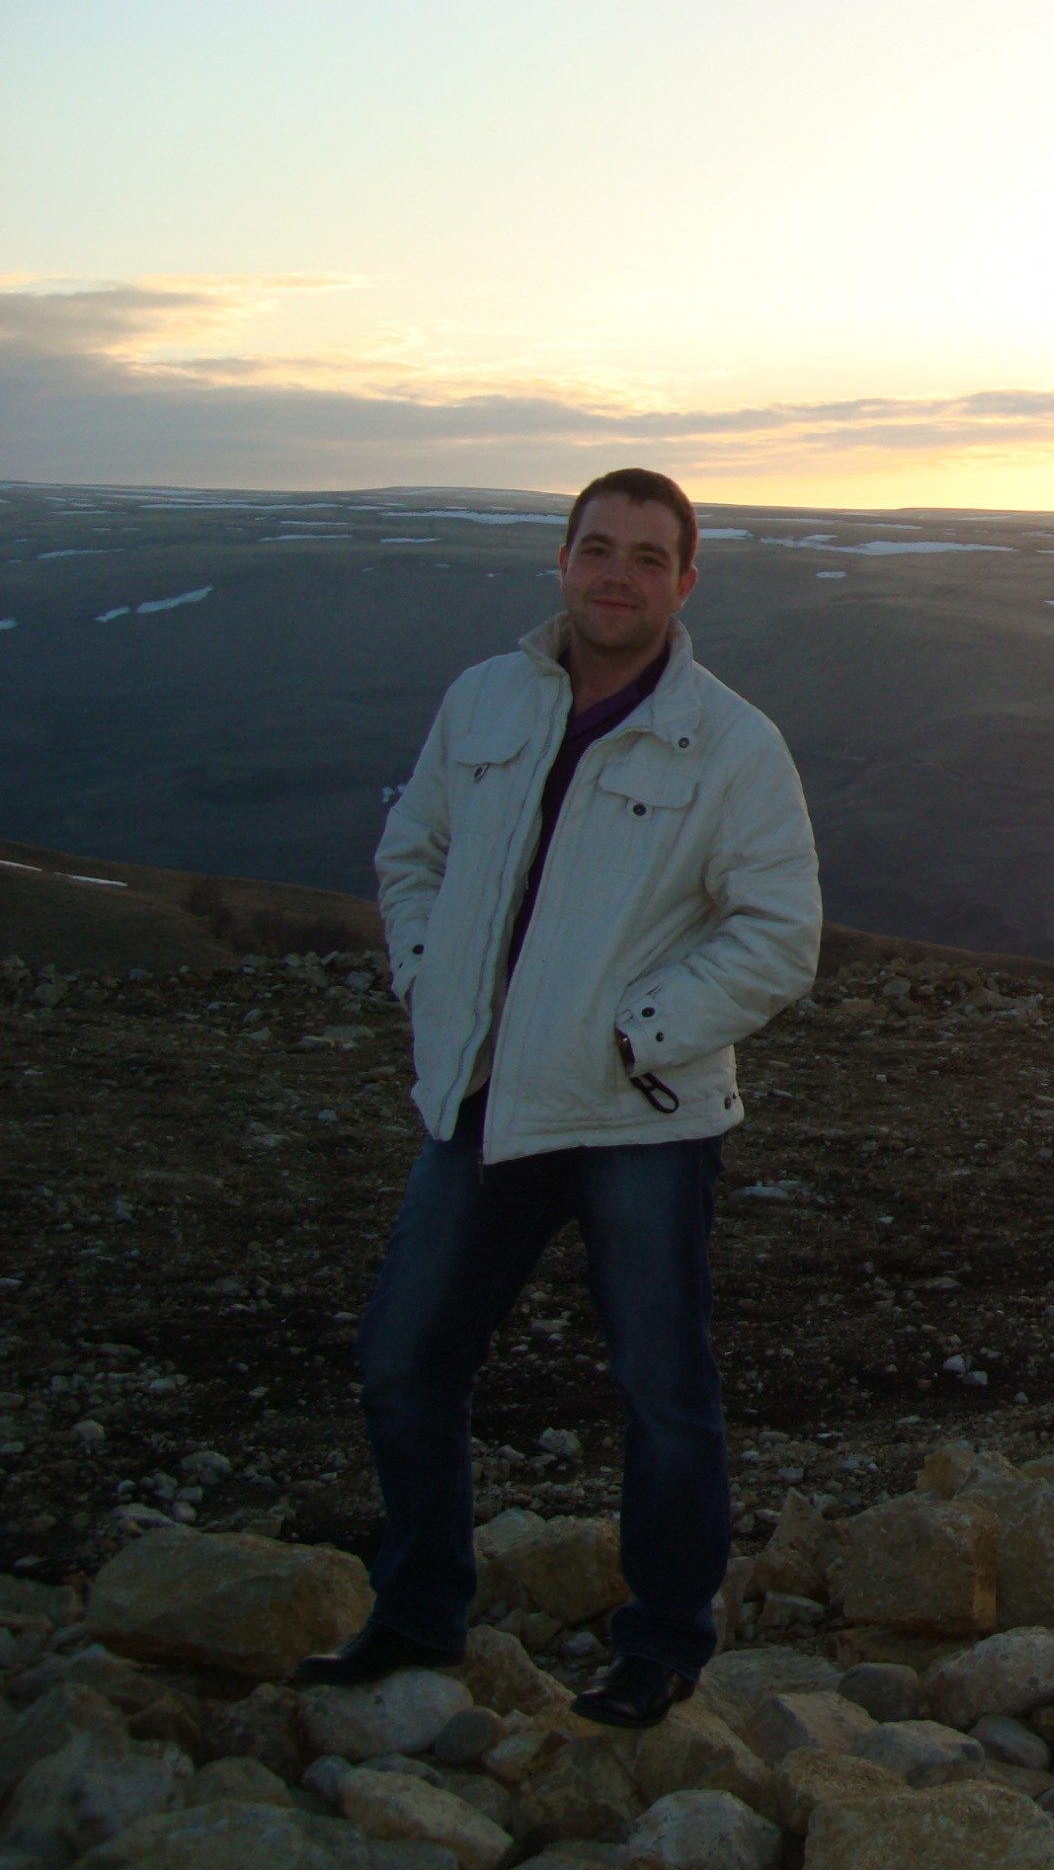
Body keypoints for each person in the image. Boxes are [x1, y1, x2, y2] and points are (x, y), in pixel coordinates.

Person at [296, 468, 822, 1729]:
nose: (616, 575)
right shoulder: (485, 700)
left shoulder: (730, 741)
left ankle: (661, 1643)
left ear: (685, 583)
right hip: (486, 1098)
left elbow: (778, 934)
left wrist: (637, 1037)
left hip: (641, 1117)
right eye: (598, 548)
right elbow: (414, 853)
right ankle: (418, 1613)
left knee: (661, 1388)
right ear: (563, 560)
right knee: (405, 1359)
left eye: (646, 556)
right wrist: (429, 979)